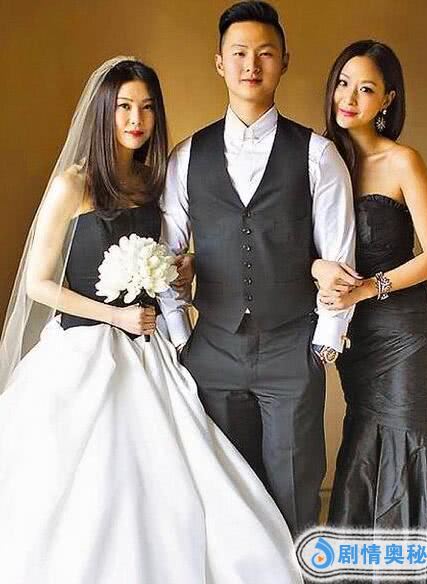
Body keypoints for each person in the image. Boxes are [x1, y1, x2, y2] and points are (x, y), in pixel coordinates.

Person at [0, 56, 304, 584]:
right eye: (123, 107)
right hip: (84, 348)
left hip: (146, 346)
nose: (136, 119)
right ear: (104, 112)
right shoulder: (73, 184)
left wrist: (179, 271)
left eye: (146, 108)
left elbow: (165, 260)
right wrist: (114, 315)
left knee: (182, 470)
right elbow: (38, 284)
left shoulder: (149, 181)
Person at [162, 0, 356, 536]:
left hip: (291, 347)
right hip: (211, 349)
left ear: (284, 61)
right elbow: (166, 257)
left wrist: (324, 344)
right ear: (219, 62)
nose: (252, 64)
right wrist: (181, 338)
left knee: (294, 492)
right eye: (240, 53)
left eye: (265, 53)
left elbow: (339, 259)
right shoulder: (186, 156)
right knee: (226, 495)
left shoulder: (318, 155)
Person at [312, 40, 427, 580]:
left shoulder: (401, 160)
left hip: (402, 328)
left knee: (404, 437)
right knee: (363, 435)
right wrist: (320, 272)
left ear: (387, 100)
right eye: (343, 83)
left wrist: (368, 288)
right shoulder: (318, 160)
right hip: (355, 332)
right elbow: (300, 247)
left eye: (366, 88)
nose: (349, 97)